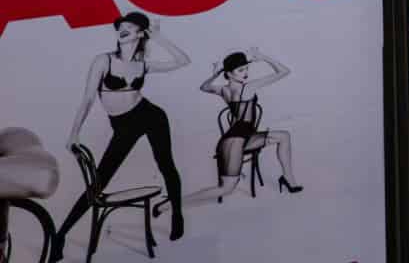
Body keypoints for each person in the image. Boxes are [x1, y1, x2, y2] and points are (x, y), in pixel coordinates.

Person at [56, 13, 190, 254]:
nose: (123, 29)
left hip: (150, 115)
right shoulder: (103, 61)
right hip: (124, 125)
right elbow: (87, 99)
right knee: (99, 181)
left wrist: (159, 38)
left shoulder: (143, 64)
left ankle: (177, 215)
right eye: (121, 26)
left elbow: (183, 61)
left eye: (131, 27)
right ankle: (60, 235)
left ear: (140, 33)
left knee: (166, 165)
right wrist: (74, 133)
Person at [194, 50, 298, 203]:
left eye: (246, 68)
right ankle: (172, 204)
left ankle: (288, 179)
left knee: (284, 136)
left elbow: (204, 87)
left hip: (242, 138)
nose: (245, 73)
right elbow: (284, 71)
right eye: (241, 70)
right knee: (226, 189)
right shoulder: (248, 88)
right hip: (235, 142)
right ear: (229, 73)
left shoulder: (223, 90)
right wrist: (264, 57)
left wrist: (216, 74)